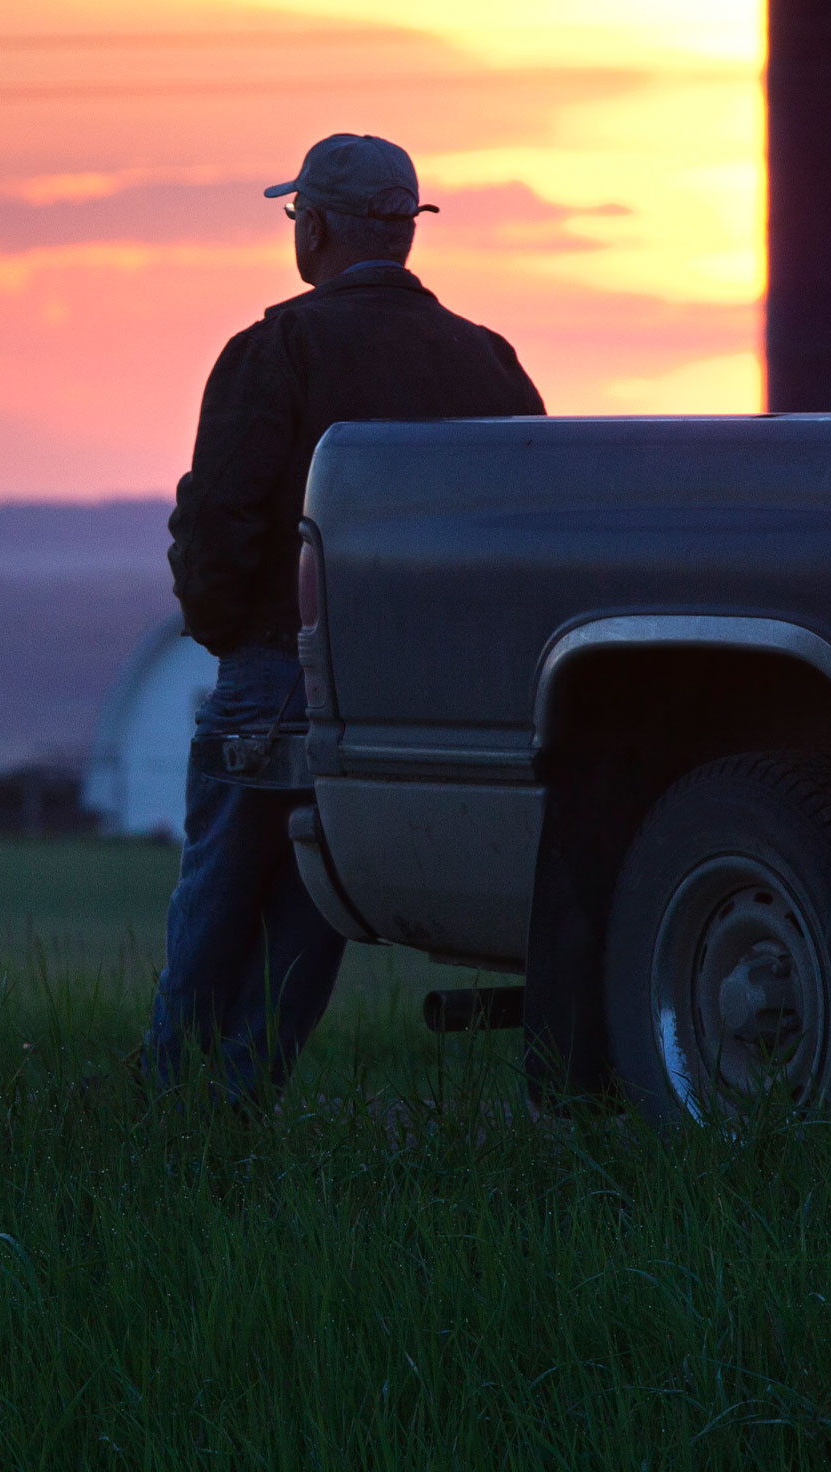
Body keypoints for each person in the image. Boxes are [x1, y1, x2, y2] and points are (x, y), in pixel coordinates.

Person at [146, 134, 544, 1100]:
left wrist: (229, 635)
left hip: (275, 678)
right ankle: (241, 1103)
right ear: (407, 232)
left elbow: (218, 525)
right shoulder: (490, 366)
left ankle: (170, 1121)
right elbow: (529, 532)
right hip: (415, 702)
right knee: (309, 917)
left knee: (216, 903)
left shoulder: (273, 350)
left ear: (313, 227)